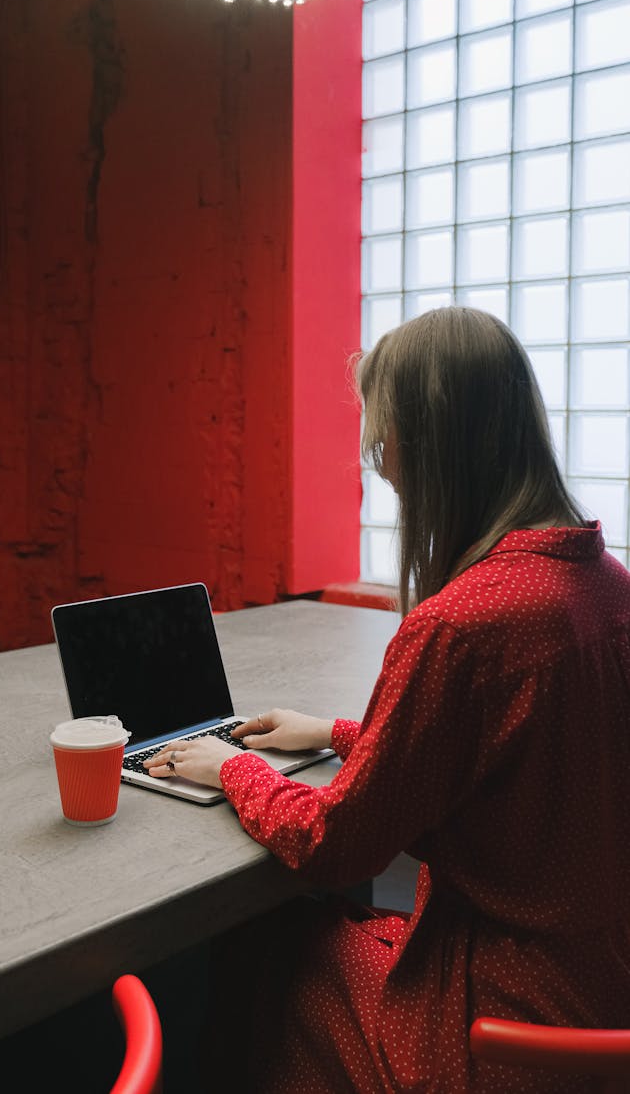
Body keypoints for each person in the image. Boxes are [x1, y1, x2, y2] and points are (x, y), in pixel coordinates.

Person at [145, 306, 630, 1092]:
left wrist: (231, 768)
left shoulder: (460, 626)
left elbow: (341, 844)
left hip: (496, 1026)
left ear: (436, 450)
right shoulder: (607, 588)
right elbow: (518, 749)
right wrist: (340, 731)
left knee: (263, 947)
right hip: (600, 990)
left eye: (384, 448)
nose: (387, 473)